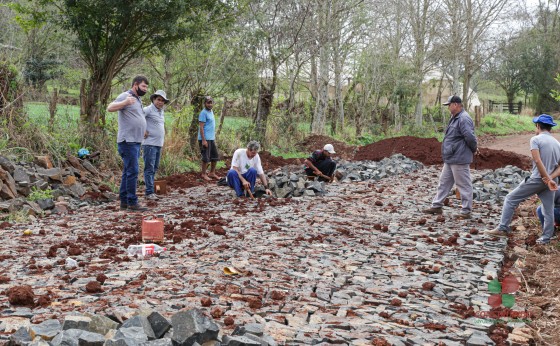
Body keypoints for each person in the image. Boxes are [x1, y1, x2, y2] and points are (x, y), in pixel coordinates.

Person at [486, 114, 560, 244]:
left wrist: (546, 178)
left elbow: (537, 160)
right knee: (548, 209)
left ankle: (503, 228)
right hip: (550, 182)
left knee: (510, 198)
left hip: (538, 179)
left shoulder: (535, 140)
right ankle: (546, 238)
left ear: (538, 126)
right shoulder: (557, 143)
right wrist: (551, 179)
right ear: (551, 128)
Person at [423, 95, 478, 219]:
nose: (448, 107)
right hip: (451, 157)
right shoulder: (455, 117)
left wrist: (474, 149)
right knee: (444, 182)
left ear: (456, 105)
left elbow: (470, 137)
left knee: (463, 184)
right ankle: (436, 206)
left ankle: (466, 211)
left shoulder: (463, 118)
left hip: (459, 156)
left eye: (449, 105)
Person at [107, 75, 149, 212]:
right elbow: (110, 107)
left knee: (128, 171)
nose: (146, 89)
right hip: (128, 141)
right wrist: (124, 102)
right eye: (143, 86)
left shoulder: (138, 99)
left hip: (136, 141)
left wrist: (143, 129)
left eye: (147, 87)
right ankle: (132, 202)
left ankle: (124, 202)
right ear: (135, 84)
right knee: (133, 171)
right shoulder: (126, 96)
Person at [142, 90, 169, 200]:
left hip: (158, 144)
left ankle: (151, 190)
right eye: (158, 99)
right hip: (149, 143)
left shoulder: (160, 111)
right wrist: (142, 130)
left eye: (162, 101)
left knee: (155, 167)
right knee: (149, 168)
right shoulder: (148, 109)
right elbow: (138, 117)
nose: (160, 102)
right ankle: (149, 192)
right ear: (153, 99)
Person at [198, 96, 220, 181]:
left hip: (211, 138)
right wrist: (203, 140)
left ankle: (212, 173)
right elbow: (201, 127)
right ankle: (203, 174)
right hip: (205, 139)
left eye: (211, 102)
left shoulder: (211, 112)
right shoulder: (203, 113)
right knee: (206, 157)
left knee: (215, 156)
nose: (210, 104)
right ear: (205, 103)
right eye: (208, 102)